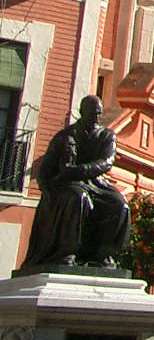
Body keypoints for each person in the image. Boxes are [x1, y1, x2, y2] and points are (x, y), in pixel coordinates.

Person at [20, 96, 130, 268]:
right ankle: (67, 252)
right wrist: (48, 190)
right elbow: (46, 169)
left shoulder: (107, 136)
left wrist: (79, 171)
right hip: (67, 184)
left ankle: (103, 255)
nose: (96, 117)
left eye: (99, 114)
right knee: (79, 198)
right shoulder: (65, 136)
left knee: (120, 205)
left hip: (97, 183)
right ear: (82, 113)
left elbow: (106, 162)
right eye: (92, 113)